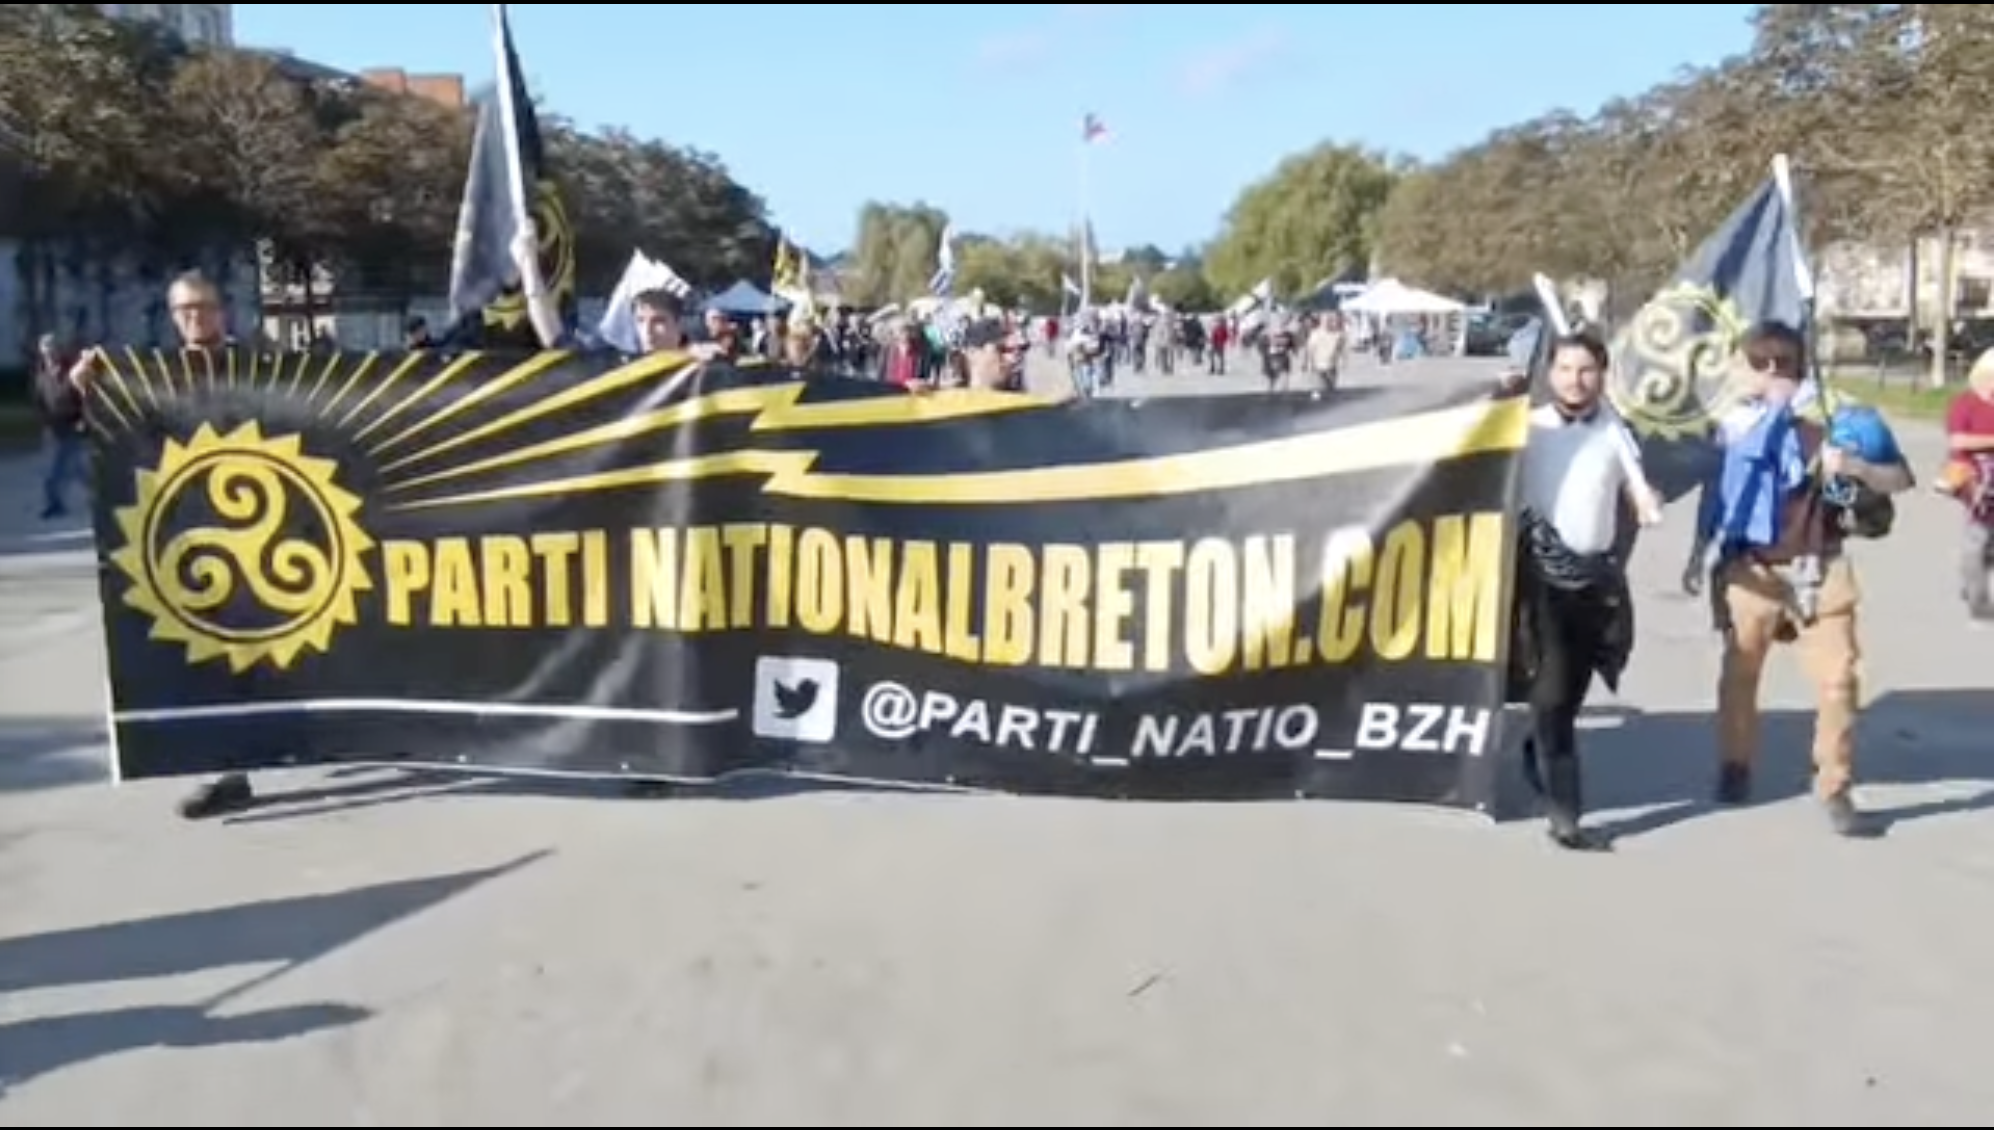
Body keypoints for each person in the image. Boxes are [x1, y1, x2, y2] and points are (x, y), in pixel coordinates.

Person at [1682, 321, 1913, 837]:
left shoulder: (1835, 417)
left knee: (1838, 680)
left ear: (1779, 367)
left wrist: (1850, 465)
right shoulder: (1731, 427)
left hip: (1819, 566)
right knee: (1740, 674)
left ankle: (1835, 785)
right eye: (1750, 362)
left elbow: (1900, 477)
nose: (1753, 373)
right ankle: (1735, 763)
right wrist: (1700, 553)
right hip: (1752, 569)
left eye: (1766, 363)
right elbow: (1716, 496)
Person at [1505, 331, 1663, 851]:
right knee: (1552, 695)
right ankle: (1566, 815)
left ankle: (1540, 747)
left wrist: (1646, 499)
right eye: (1566, 369)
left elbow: (1635, 487)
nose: (1575, 380)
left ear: (1602, 375)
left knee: (1570, 694)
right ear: (1549, 374)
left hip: (1596, 581)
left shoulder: (1617, 432)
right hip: (1540, 579)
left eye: (1587, 370)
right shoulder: (1526, 429)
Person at [1942, 348, 1994, 619]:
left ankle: (1972, 580)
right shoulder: (1965, 403)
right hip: (1976, 479)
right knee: (1978, 536)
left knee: (1986, 542)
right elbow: (1958, 441)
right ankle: (1978, 599)